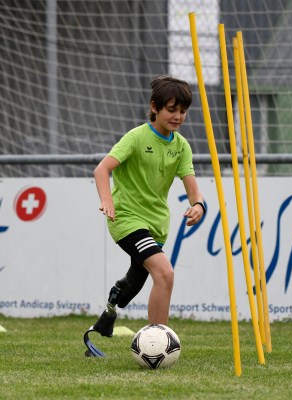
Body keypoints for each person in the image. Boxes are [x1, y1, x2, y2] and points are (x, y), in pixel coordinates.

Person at [91, 75, 206, 339]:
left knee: (137, 280)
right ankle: (158, 341)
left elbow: (192, 188)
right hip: (127, 219)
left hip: (156, 226)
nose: (178, 116)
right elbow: (102, 169)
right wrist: (107, 200)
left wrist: (198, 204)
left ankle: (110, 309)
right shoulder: (136, 137)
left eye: (183, 111)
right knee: (165, 273)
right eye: (171, 109)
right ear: (154, 107)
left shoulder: (181, 147)